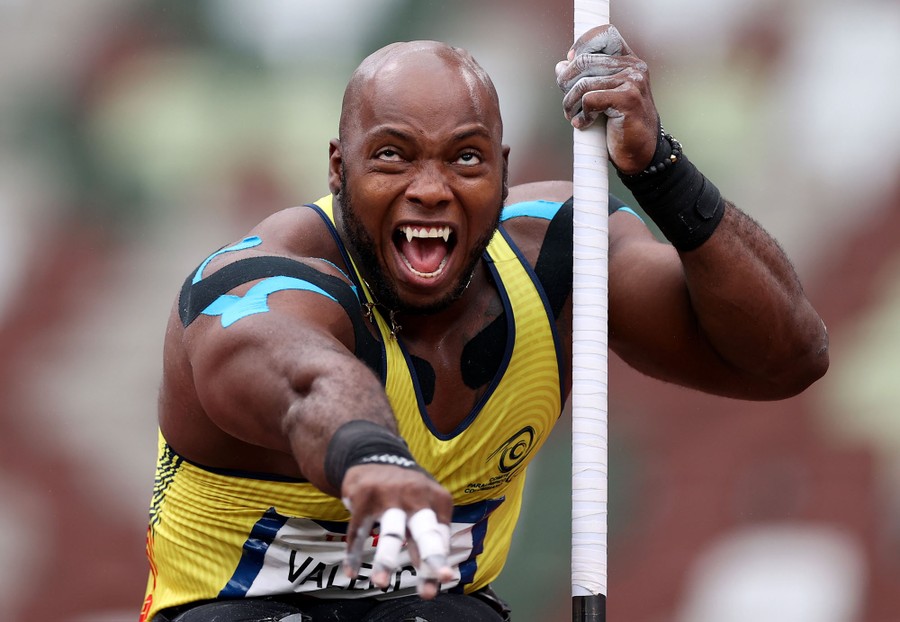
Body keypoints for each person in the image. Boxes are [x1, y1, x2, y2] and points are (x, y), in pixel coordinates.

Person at [139, 24, 829, 622]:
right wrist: (372, 458)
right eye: (392, 156)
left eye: (465, 158)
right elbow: (307, 384)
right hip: (234, 605)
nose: (432, 189)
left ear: (501, 173)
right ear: (337, 168)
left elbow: (787, 356)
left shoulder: (558, 254)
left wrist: (658, 169)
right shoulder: (262, 281)